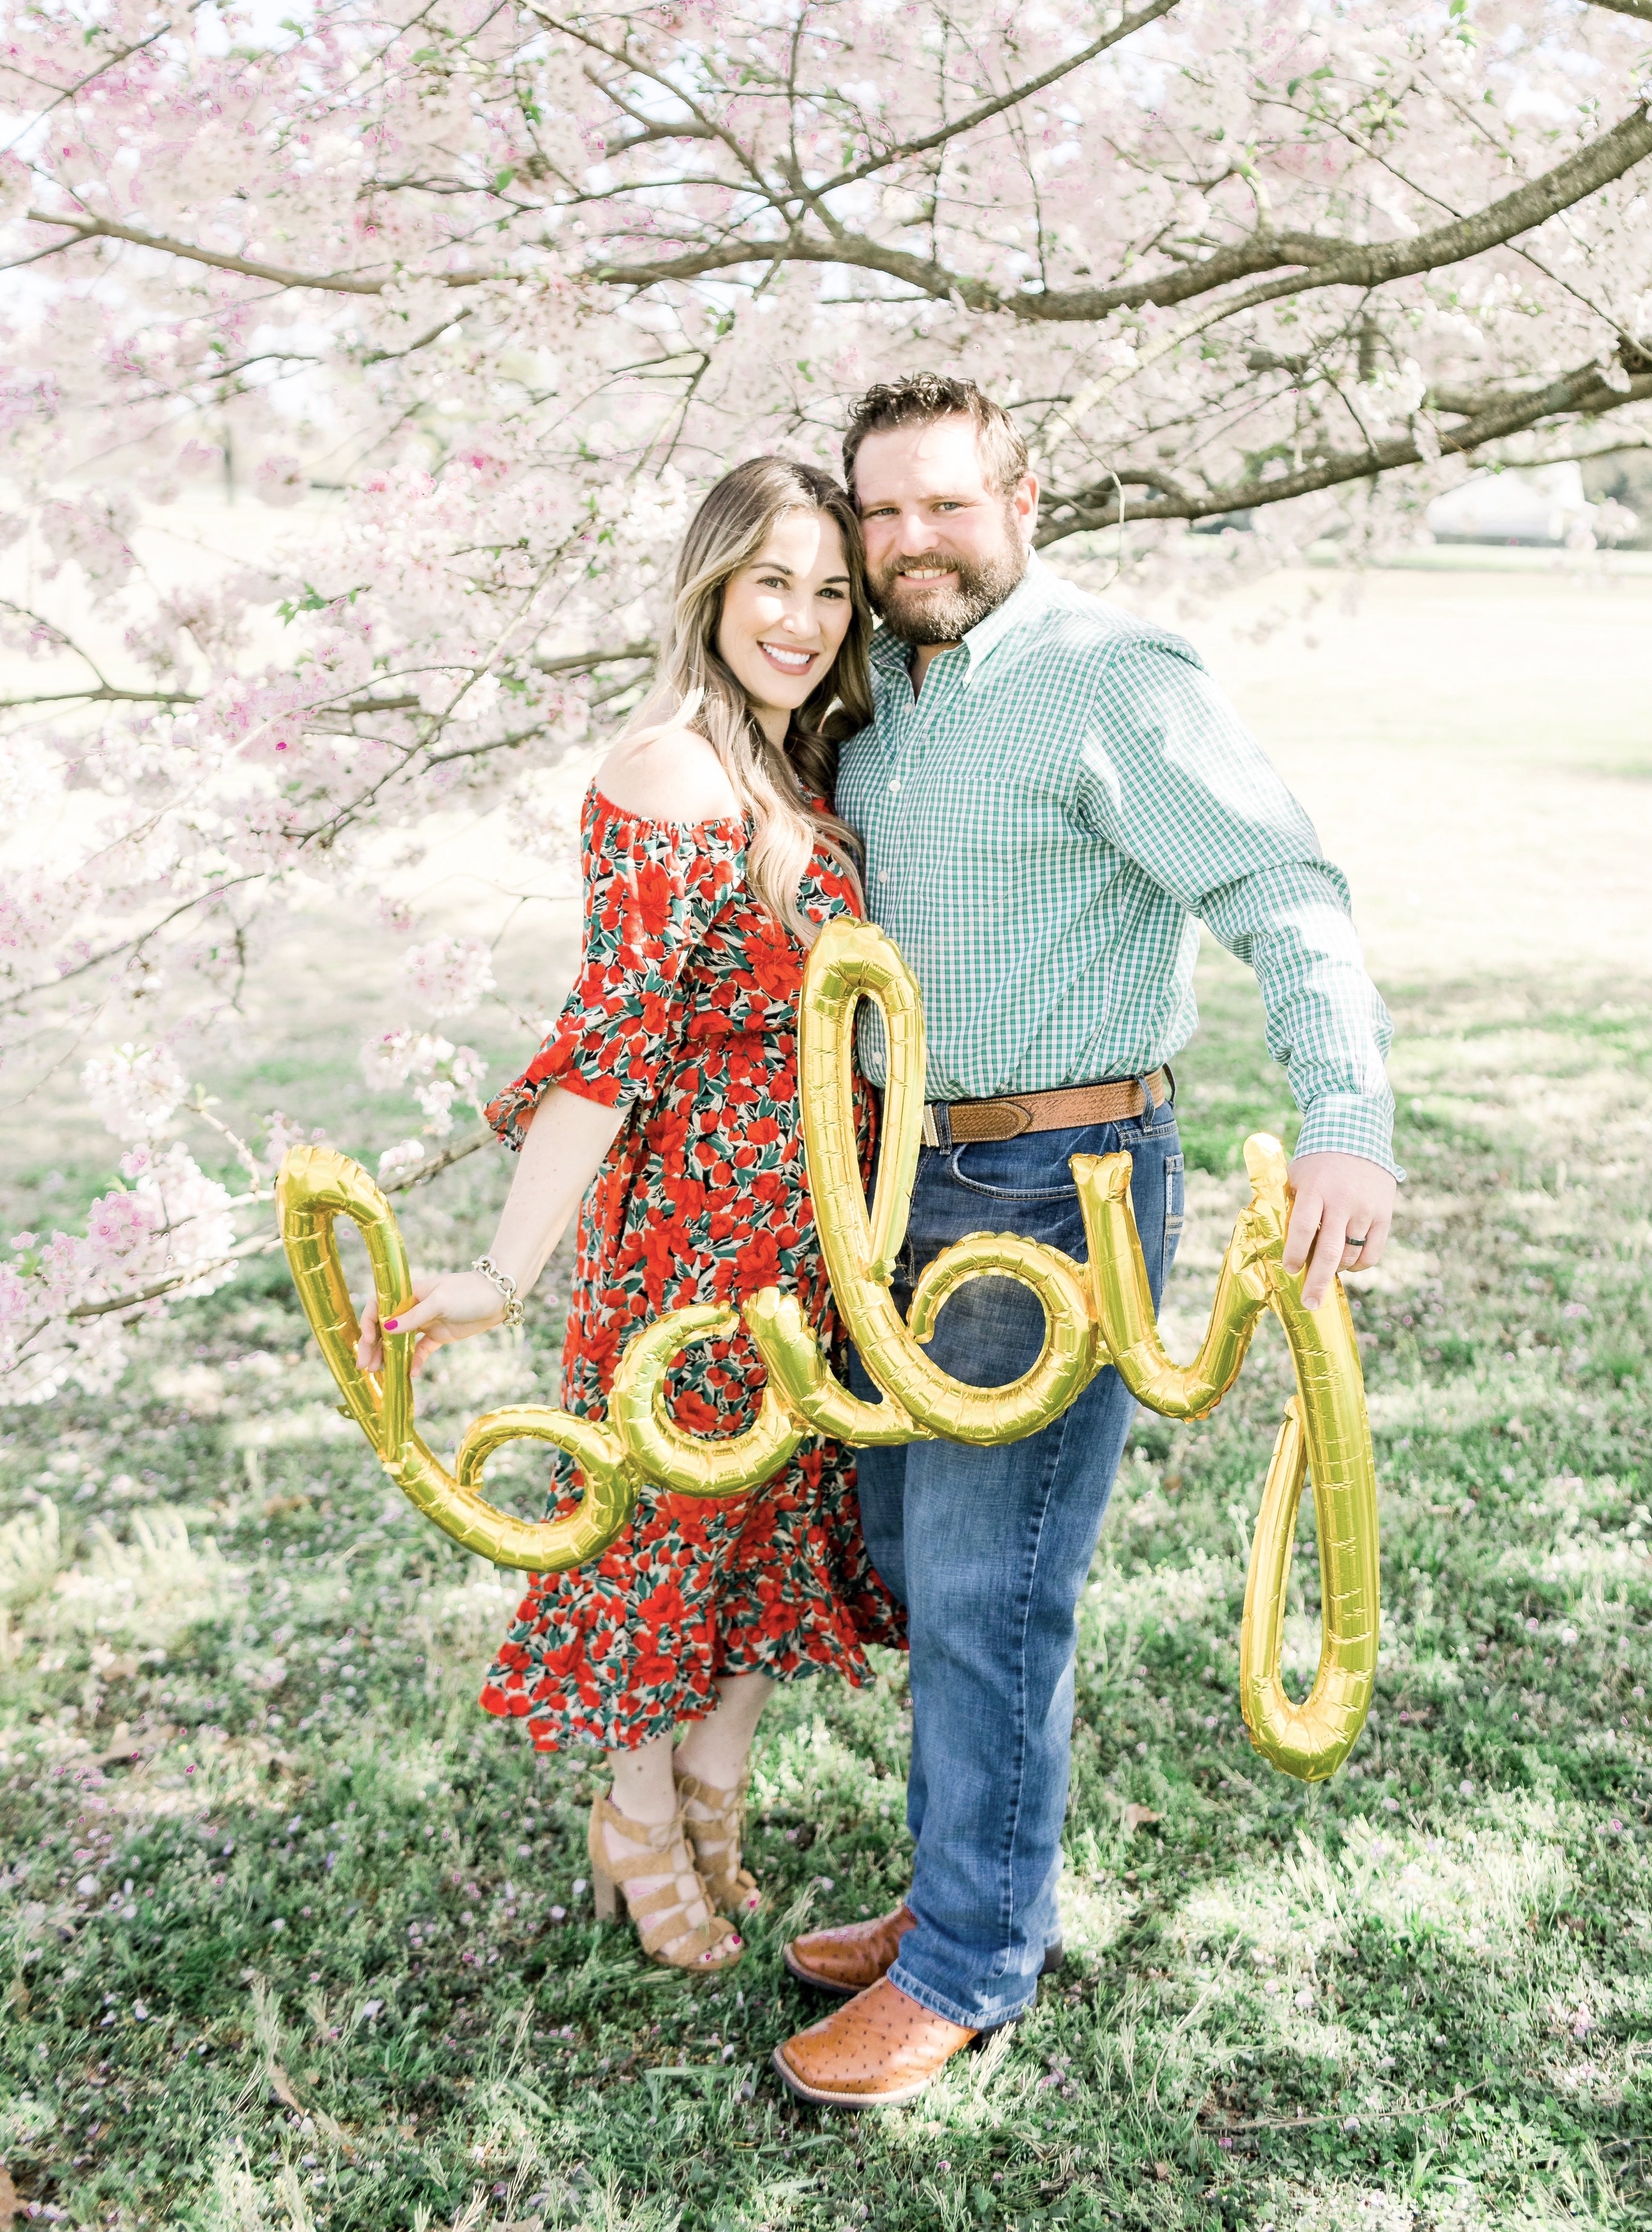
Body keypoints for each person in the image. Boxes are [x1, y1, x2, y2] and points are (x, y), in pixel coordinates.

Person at [772, 374, 1401, 2108]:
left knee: (991, 1587)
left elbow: (1284, 893)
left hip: (1059, 1191)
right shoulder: (876, 699)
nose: (910, 542)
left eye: (945, 505)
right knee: (906, 1550)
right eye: (881, 512)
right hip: (890, 1187)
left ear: (1024, 497)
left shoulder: (1110, 679)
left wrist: (1347, 1122)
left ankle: (968, 1961)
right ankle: (952, 1891)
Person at [358, 455, 903, 1974]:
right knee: (668, 1523)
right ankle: (639, 1815)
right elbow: (611, 1042)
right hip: (693, 1238)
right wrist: (502, 1267)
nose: (798, 620)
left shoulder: (797, 770)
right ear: (712, 587)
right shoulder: (670, 769)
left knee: (772, 1522)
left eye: (828, 593)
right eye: (770, 584)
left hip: (811, 1235)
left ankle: (717, 1796)